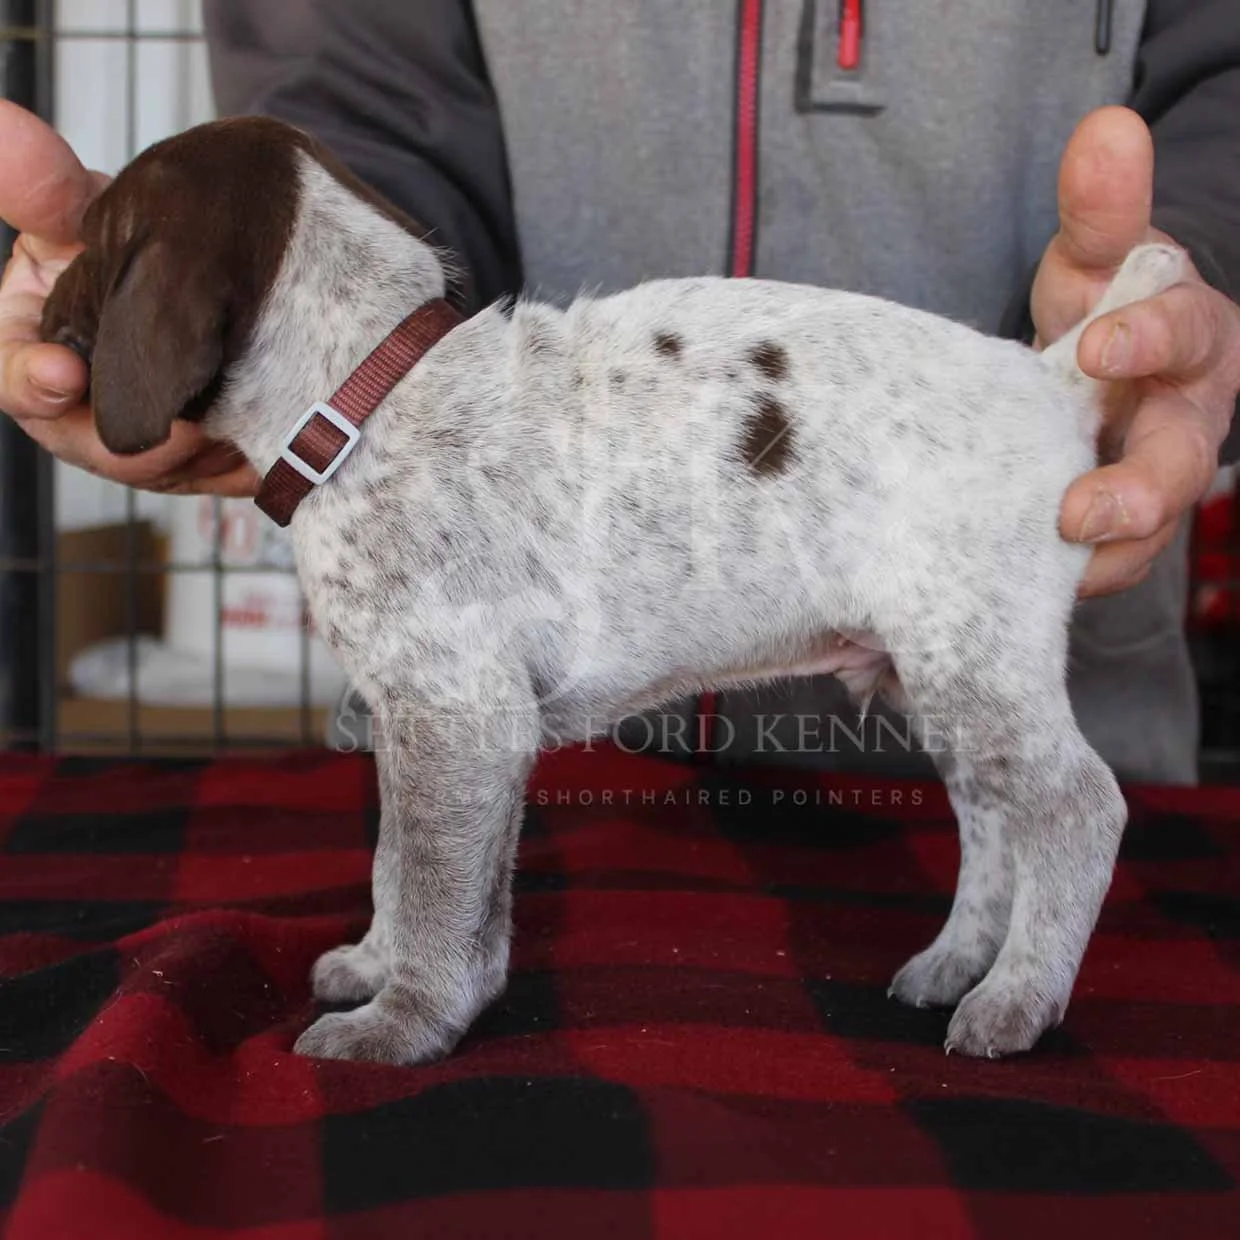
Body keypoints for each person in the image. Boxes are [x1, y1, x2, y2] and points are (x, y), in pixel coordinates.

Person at [1, 1, 1238, 783]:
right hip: (557, 771)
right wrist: (246, 321)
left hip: (1039, 640)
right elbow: (357, 109)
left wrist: (1193, 281)